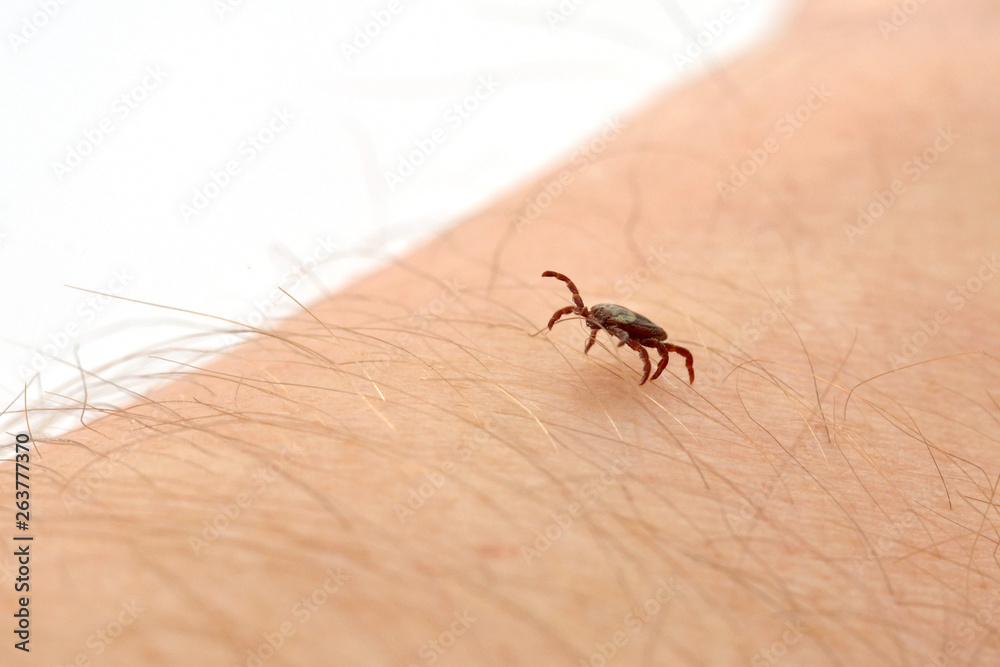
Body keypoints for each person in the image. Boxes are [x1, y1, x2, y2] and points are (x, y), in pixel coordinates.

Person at [10, 0, 1000, 664]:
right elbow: (587, 304)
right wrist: (587, 320)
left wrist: (622, 344)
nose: (599, 325)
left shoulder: (637, 333)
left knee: (652, 340)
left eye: (605, 323)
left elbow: (639, 331)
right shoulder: (604, 314)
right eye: (597, 320)